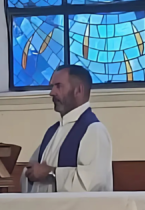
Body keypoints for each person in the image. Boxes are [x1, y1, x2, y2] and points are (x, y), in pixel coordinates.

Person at [22, 65, 113, 193]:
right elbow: (32, 171)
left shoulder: (94, 130)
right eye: (52, 86)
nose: (52, 92)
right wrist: (31, 174)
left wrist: (50, 172)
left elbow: (92, 183)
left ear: (78, 90)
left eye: (58, 86)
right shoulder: (53, 132)